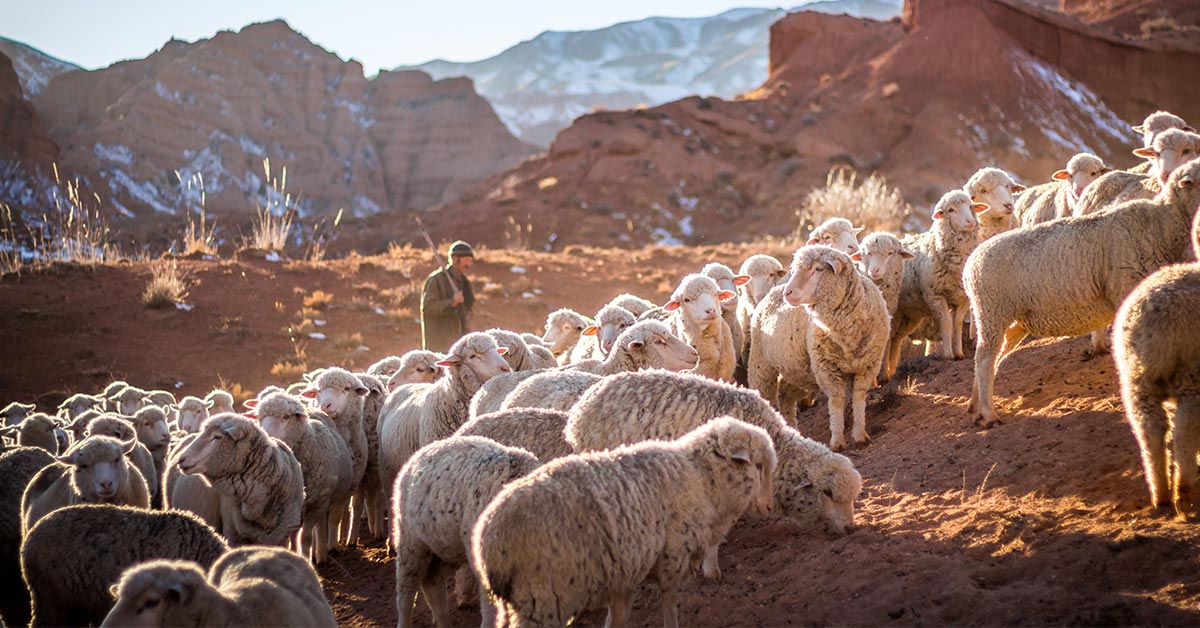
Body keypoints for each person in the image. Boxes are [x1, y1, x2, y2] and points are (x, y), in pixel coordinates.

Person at [420, 240, 476, 352]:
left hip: (460, 345)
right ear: (455, 259)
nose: (469, 265)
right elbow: (427, 308)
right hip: (440, 346)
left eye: (470, 261)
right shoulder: (436, 280)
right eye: (466, 260)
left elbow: (468, 309)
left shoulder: (465, 283)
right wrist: (451, 302)